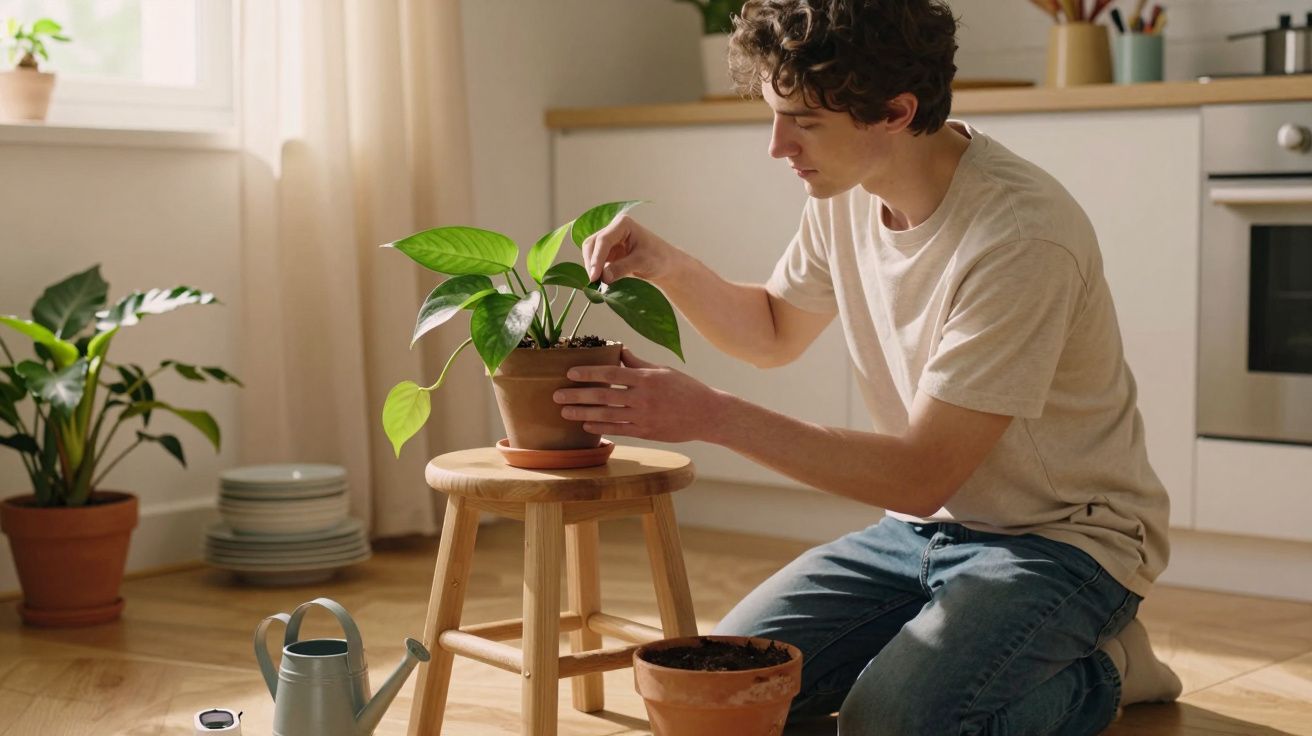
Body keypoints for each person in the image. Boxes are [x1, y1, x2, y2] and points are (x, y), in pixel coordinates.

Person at [552, 0, 1182, 732]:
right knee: (721, 694)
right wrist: (664, 264)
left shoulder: (1020, 236)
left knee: (889, 723)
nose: (777, 146)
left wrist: (710, 415)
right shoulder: (844, 195)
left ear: (894, 111)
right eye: (775, 114)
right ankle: (954, 647)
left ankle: (1107, 672)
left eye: (804, 122)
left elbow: (920, 475)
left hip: (1063, 542)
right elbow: (772, 331)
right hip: (919, 533)